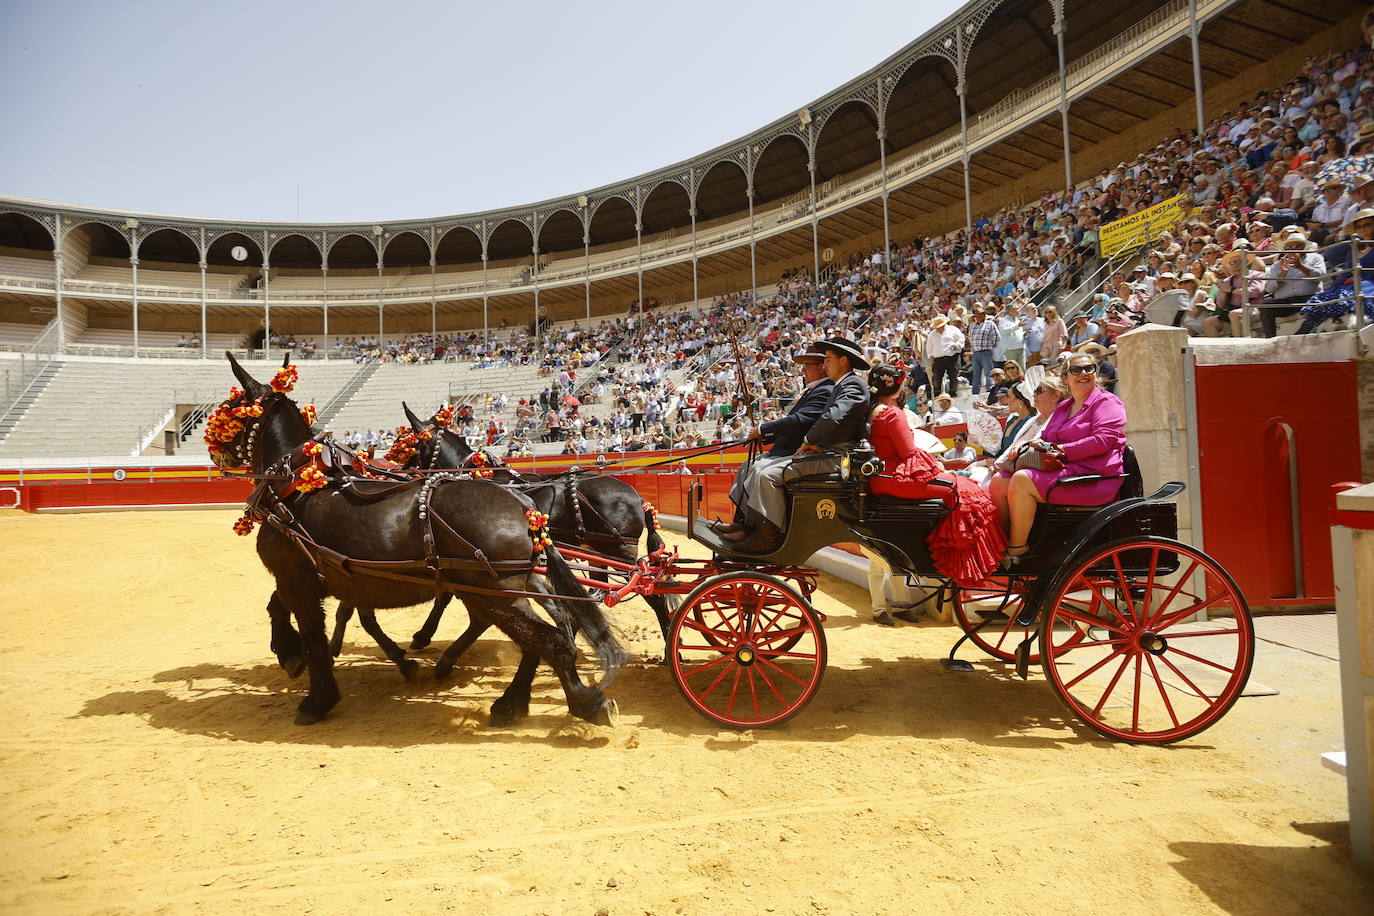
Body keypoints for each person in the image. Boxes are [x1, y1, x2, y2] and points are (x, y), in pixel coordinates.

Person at [725, 337, 870, 553]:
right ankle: (754, 529)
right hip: (828, 452)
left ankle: (768, 537)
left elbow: (832, 417)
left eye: (828, 359)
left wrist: (808, 441)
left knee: (766, 474)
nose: (824, 364)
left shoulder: (853, 385)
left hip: (837, 457)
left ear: (843, 361)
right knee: (761, 470)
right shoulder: (844, 385)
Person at [865, 364, 1006, 585]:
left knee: (960, 485)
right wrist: (935, 465)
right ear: (896, 388)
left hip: (881, 478)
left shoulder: (871, 411)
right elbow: (908, 452)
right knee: (964, 490)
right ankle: (962, 561)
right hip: (895, 477)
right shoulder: (892, 413)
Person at [996, 352, 1128, 564]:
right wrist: (1027, 445)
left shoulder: (1106, 402)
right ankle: (1000, 542)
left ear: (1096, 373)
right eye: (1076, 370)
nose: (1083, 373)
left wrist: (1063, 451)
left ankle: (1017, 550)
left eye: (1089, 369)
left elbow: (1104, 440)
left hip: (1094, 477)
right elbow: (1047, 438)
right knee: (1000, 481)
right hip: (1064, 471)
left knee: (1022, 480)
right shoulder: (1064, 407)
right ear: (1066, 377)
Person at [719, 343, 834, 533]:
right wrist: (764, 433)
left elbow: (800, 421)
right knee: (747, 466)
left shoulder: (825, 390)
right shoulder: (816, 389)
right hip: (787, 448)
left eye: (807, 365)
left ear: (821, 366)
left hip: (794, 450)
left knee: (758, 470)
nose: (803, 369)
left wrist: (763, 429)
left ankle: (760, 532)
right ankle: (741, 523)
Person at [925, 315, 964, 397]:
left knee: (953, 376)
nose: (938, 329)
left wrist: (958, 345)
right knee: (936, 378)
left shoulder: (953, 330)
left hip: (952, 357)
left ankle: (953, 394)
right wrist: (930, 355)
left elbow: (961, 338)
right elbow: (929, 346)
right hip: (938, 359)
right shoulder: (932, 334)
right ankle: (936, 395)